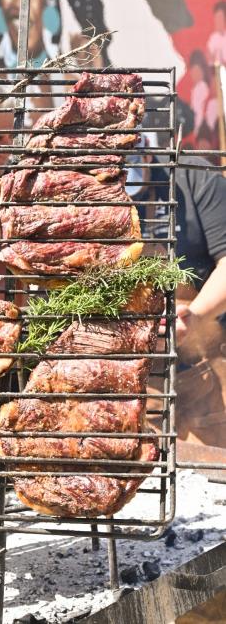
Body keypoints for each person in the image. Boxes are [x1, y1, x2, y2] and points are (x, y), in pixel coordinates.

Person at [128, 151, 226, 448]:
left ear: (145, 156)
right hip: (137, 367)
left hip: (208, 354)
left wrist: (193, 316)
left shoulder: (193, 176)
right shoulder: (93, 193)